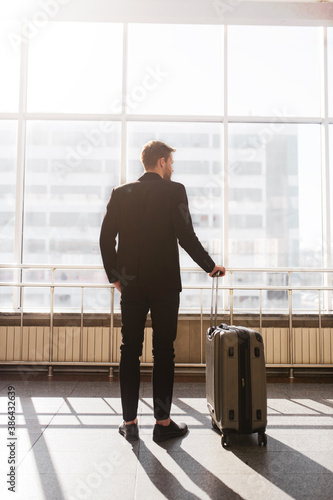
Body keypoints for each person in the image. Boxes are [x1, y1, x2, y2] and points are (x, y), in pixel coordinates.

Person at [100, 140, 225, 442]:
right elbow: (185, 235)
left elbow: (106, 238)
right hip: (166, 284)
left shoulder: (121, 193)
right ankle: (162, 422)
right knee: (164, 352)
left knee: (129, 349)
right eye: (170, 162)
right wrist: (210, 266)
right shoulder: (174, 191)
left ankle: (130, 423)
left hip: (131, 283)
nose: (172, 167)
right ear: (160, 162)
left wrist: (115, 277)